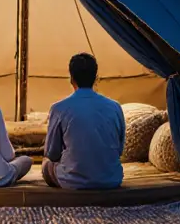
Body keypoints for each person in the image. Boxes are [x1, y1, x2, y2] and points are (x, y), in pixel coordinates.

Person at [42, 52, 125, 189]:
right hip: (111, 179)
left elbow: (51, 153)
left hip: (72, 181)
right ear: (96, 78)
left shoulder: (59, 108)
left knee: (46, 165)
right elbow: (120, 150)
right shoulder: (115, 107)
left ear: (71, 79)